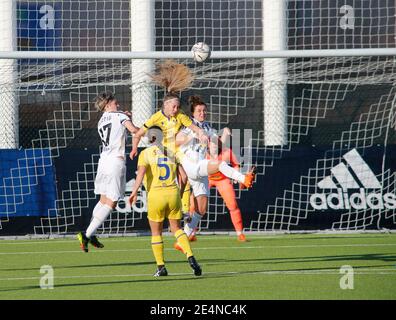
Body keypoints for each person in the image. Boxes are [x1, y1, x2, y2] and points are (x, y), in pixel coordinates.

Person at [175, 95, 256, 243]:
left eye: (204, 110)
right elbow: (177, 140)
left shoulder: (207, 127)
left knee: (201, 209)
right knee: (218, 165)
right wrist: (193, 136)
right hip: (192, 165)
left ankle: (183, 240)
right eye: (199, 110)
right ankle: (244, 178)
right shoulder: (189, 125)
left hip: (201, 170)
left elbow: (218, 145)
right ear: (193, 113)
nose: (202, 113)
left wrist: (223, 134)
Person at [129, 127, 202, 277]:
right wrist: (180, 194)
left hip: (156, 195)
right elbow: (184, 177)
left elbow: (140, 175)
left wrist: (134, 192)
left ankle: (161, 267)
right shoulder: (172, 152)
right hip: (173, 193)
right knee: (177, 229)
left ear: (149, 139)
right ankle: (190, 257)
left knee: (156, 232)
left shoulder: (145, 153)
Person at [77, 92, 139, 252]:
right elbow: (134, 130)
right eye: (115, 103)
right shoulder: (119, 115)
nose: (118, 105)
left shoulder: (101, 120)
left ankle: (91, 232)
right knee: (112, 202)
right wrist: (148, 132)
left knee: (103, 200)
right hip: (115, 162)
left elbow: (115, 123)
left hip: (103, 161)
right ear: (107, 104)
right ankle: (87, 234)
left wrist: (123, 116)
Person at [207, 136, 247, 242]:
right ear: (208, 144)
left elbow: (236, 164)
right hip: (206, 179)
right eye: (212, 143)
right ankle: (191, 232)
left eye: (216, 143)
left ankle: (240, 233)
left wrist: (236, 176)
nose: (214, 145)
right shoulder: (201, 153)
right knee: (194, 205)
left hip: (222, 179)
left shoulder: (227, 152)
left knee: (233, 205)